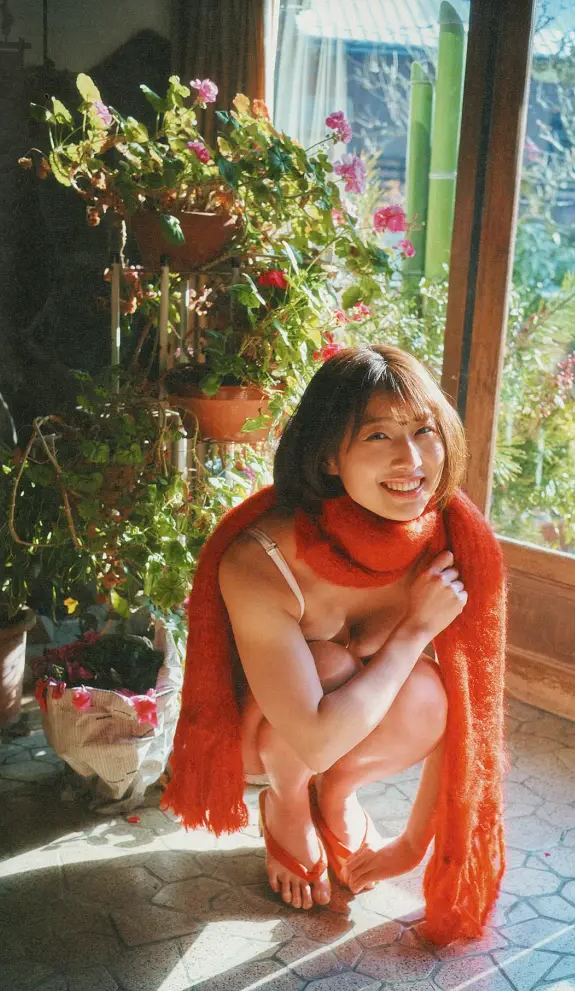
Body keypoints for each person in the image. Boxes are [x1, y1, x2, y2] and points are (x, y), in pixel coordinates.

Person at [163, 345, 507, 947]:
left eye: (424, 431)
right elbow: (316, 737)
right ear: (328, 455)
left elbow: (471, 720)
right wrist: (414, 630)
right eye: (378, 435)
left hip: (344, 725)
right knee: (330, 662)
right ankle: (288, 802)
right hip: (267, 735)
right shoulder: (260, 560)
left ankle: (338, 793)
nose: (410, 460)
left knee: (437, 692)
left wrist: (411, 844)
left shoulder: (453, 539)